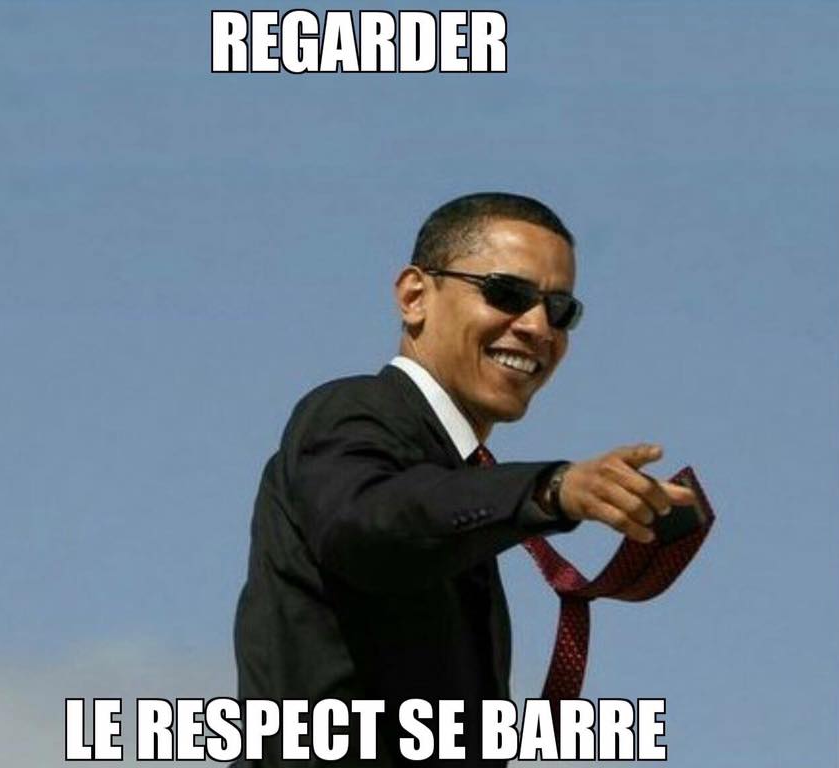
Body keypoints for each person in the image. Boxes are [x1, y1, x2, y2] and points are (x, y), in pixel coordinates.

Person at [233, 192, 696, 766]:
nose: (538, 327)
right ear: (414, 296)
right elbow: (368, 524)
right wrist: (550, 490)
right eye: (507, 293)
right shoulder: (351, 413)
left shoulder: (463, 488)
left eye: (560, 310)